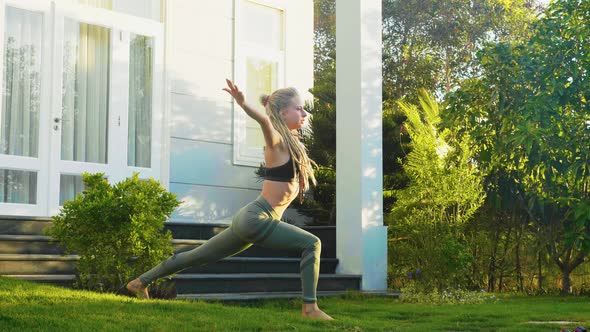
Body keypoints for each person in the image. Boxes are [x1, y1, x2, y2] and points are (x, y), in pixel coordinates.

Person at [126, 79, 334, 320]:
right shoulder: (276, 141)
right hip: (257, 218)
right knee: (312, 244)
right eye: (299, 108)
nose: (305, 112)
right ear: (282, 112)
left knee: (195, 256)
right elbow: (265, 121)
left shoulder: (291, 144)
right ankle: (310, 309)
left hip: (249, 219)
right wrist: (244, 104)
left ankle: (139, 282)